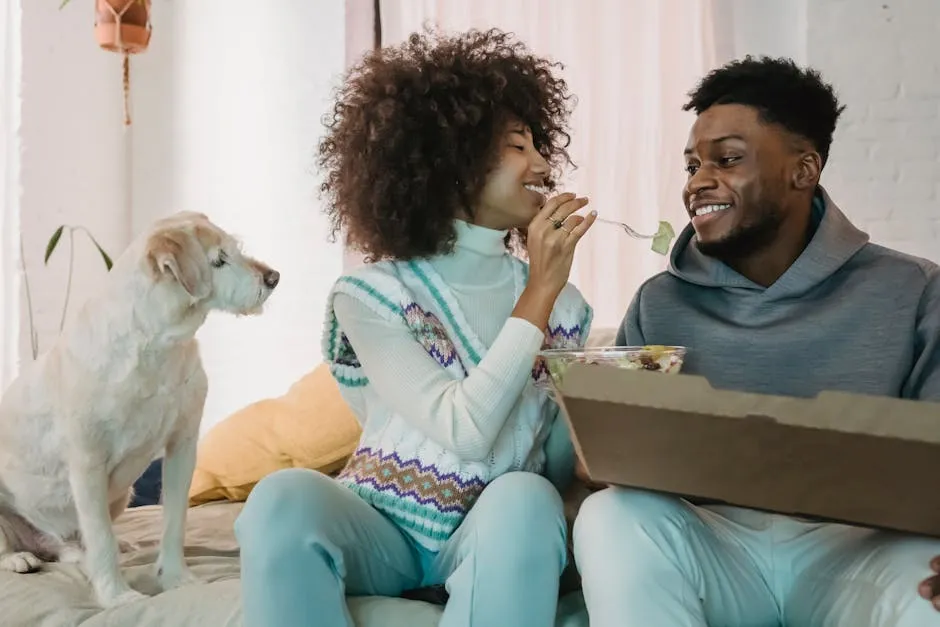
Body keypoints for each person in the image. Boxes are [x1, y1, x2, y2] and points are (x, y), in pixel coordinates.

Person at [234, 28, 596, 627]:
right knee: (280, 496)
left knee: (528, 497)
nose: (541, 164)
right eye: (517, 146)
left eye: (539, 144)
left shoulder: (566, 307)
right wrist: (539, 289)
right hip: (383, 531)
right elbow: (465, 429)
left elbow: (551, 463)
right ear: (453, 161)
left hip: (492, 534)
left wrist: (600, 429)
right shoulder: (372, 295)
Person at [572, 55, 940, 626]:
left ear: (804, 169)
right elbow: (617, 461)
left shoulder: (914, 290)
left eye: (728, 159)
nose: (698, 181)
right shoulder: (658, 302)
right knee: (611, 517)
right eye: (692, 164)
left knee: (930, 573)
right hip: (718, 547)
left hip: (857, 552)